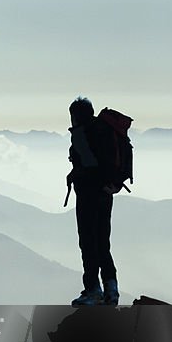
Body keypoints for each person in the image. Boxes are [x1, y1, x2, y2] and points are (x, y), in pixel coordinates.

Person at [66, 97, 120, 306]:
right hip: (106, 194)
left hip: (89, 195)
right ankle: (111, 289)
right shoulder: (103, 132)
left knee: (88, 243)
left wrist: (76, 174)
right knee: (103, 243)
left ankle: (92, 291)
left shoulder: (82, 134)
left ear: (76, 115)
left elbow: (89, 165)